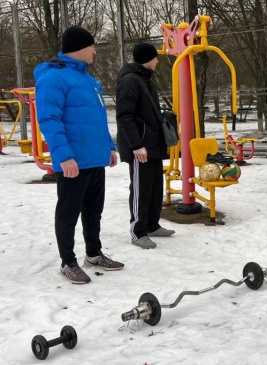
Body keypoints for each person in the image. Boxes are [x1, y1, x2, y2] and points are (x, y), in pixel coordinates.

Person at [34, 26, 124, 284]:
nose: (95, 51)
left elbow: (98, 119)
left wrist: (108, 147)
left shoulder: (89, 80)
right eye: (92, 46)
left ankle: (93, 254)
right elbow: (49, 120)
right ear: (79, 48)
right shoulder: (53, 78)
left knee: (94, 212)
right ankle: (68, 262)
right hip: (73, 160)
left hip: (94, 158)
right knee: (68, 214)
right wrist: (64, 157)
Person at [116, 43, 175, 250]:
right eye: (155, 57)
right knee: (141, 189)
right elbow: (125, 116)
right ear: (147, 59)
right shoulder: (130, 81)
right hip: (140, 146)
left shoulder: (145, 80)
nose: (157, 61)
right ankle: (138, 231)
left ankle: (151, 224)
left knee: (154, 188)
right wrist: (136, 145)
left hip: (153, 145)